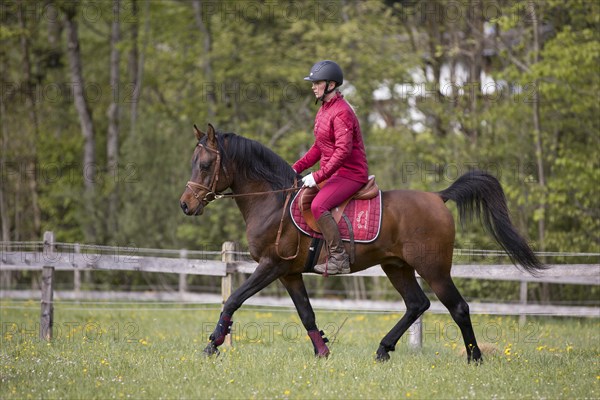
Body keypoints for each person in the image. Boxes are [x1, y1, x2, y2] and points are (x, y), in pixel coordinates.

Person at [292, 60, 369, 275]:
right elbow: (319, 147)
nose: (313, 87)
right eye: (313, 83)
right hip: (333, 172)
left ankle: (338, 258)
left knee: (318, 206)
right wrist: (296, 167)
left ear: (331, 85)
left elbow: (343, 151)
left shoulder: (342, 112)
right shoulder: (325, 110)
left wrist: (317, 176)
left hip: (351, 174)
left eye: (317, 83)